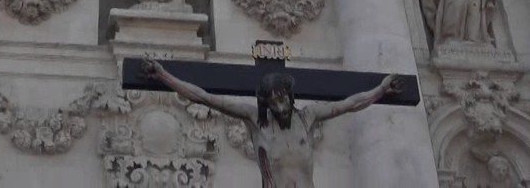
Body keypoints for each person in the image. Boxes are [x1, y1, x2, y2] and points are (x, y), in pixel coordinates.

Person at [142, 60, 400, 187]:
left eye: (284, 97)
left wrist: (381, 90)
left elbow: (350, 104)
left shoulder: (308, 117)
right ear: (266, 103)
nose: (281, 105)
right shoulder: (256, 121)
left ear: (290, 96)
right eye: (274, 101)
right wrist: (164, 76)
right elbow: (205, 97)